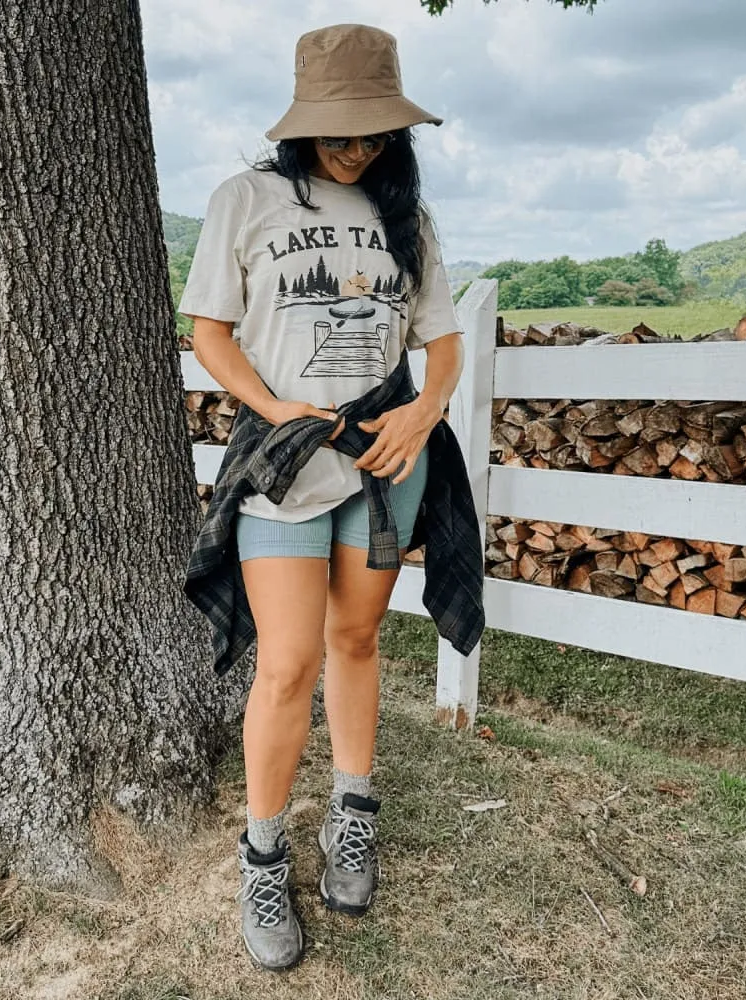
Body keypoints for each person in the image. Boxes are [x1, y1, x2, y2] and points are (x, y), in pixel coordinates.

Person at [180, 23, 482, 971]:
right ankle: (262, 855)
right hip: (288, 459)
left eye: (374, 131)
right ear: (303, 123)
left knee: (356, 639)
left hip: (390, 457)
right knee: (287, 660)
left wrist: (425, 416)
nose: (357, 146)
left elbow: (442, 343)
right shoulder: (250, 200)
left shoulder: (407, 218)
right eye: (340, 130)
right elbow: (210, 332)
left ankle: (354, 813)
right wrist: (276, 407)